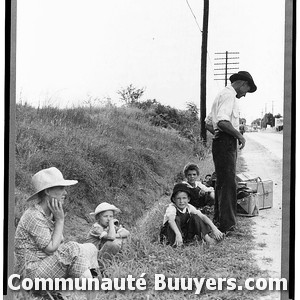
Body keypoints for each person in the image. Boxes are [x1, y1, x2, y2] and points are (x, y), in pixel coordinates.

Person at [14, 167, 99, 283]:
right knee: (73, 248)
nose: (65, 193)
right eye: (61, 188)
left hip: (48, 265)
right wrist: (60, 220)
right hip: (32, 272)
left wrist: (57, 218)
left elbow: (60, 243)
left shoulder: (50, 213)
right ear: (47, 191)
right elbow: (51, 249)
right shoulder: (33, 215)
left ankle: (93, 283)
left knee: (90, 247)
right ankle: (91, 289)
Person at [210, 71, 257, 233]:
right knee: (229, 183)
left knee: (222, 182)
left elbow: (209, 123)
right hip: (226, 142)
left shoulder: (221, 95)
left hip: (221, 142)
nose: (244, 95)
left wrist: (217, 133)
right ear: (242, 84)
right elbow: (222, 121)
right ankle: (227, 226)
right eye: (246, 90)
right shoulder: (229, 95)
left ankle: (219, 219)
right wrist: (239, 136)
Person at [160, 183, 224, 247]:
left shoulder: (189, 207)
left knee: (196, 217)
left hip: (183, 233)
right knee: (176, 219)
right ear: (174, 199)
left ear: (188, 199)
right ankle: (176, 243)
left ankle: (208, 240)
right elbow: (171, 221)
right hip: (172, 234)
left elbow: (203, 216)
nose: (181, 201)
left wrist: (214, 228)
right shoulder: (171, 207)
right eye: (178, 198)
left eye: (184, 198)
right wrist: (178, 234)